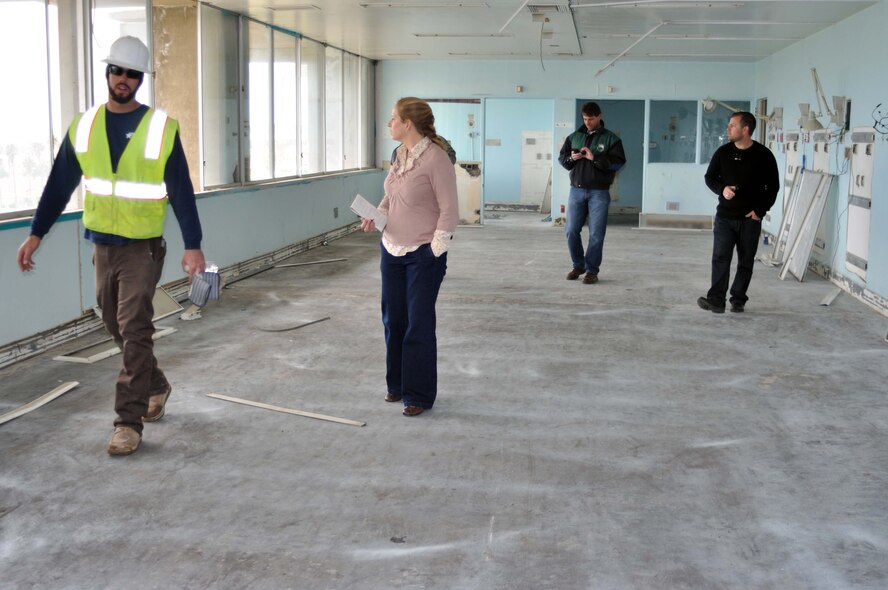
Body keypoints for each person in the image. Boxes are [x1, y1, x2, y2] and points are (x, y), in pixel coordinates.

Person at [16, 36, 205, 455]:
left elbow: (182, 191)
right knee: (115, 325)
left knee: (135, 328)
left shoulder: (161, 128)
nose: (124, 79)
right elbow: (58, 185)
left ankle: (128, 421)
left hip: (143, 248)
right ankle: (155, 384)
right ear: (107, 73)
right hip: (102, 245)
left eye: (132, 73)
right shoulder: (83, 127)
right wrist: (36, 233)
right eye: (118, 70)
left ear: (142, 79)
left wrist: (193, 244)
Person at [360, 97, 458, 417]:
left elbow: (449, 211)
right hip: (391, 249)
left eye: (392, 119)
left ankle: (418, 395)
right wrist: (376, 214)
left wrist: (434, 252)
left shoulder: (436, 159)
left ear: (407, 124)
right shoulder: (399, 155)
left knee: (418, 324)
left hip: (422, 255)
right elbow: (391, 196)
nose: (389, 124)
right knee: (394, 320)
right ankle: (397, 384)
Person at [698, 111, 779, 314]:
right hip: (725, 217)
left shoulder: (764, 155)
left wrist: (760, 210)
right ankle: (716, 300)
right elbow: (710, 178)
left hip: (749, 219)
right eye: (728, 125)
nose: (728, 128)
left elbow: (773, 186)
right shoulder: (723, 152)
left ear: (745, 129)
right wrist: (722, 189)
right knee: (720, 258)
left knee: (745, 261)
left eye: (732, 125)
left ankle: (738, 299)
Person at [558, 101, 626, 284]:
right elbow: (562, 160)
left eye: (591, 119)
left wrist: (594, 158)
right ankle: (578, 265)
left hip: (599, 193)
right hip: (576, 191)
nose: (588, 122)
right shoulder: (574, 137)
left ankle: (592, 271)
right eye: (585, 118)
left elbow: (619, 163)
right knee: (571, 231)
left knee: (596, 234)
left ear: (600, 117)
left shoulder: (611, 139)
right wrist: (570, 158)